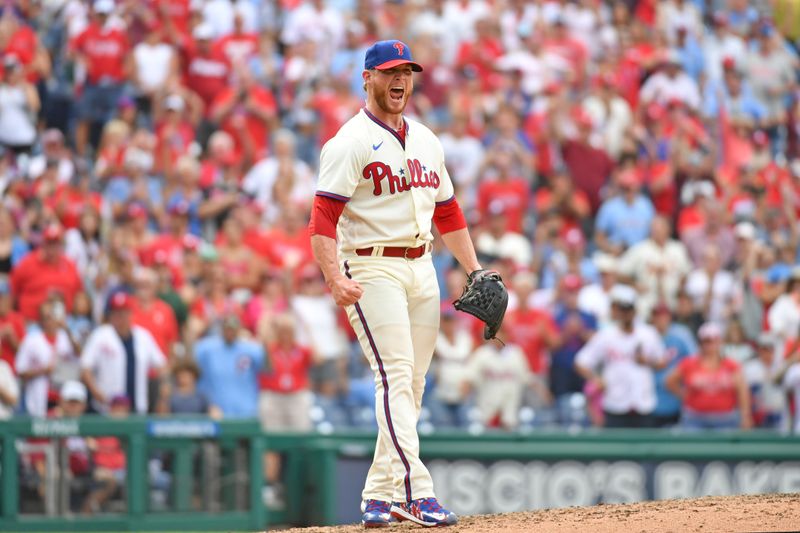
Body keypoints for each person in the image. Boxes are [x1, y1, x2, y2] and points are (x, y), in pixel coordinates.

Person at [308, 40, 480, 527]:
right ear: (367, 78)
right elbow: (322, 216)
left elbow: (447, 210)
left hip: (421, 265)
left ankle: (379, 494)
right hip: (370, 266)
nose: (399, 79)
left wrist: (474, 269)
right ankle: (416, 490)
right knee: (395, 377)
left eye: (406, 70)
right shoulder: (349, 141)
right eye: (388, 71)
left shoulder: (427, 139)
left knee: (412, 385)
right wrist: (332, 275)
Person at [574, 285, 666, 428]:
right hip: (615, 404)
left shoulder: (648, 333)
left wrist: (647, 362)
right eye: (621, 309)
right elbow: (581, 362)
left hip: (643, 403)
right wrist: (596, 379)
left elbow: (662, 361)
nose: (625, 314)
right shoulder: (606, 335)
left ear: (635, 310)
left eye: (628, 309)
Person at [80, 292, 167, 414]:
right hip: (107, 407)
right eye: (117, 313)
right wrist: (97, 392)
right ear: (110, 315)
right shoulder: (101, 335)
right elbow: (85, 368)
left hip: (138, 407)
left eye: (124, 312)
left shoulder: (143, 336)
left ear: (131, 314)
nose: (121, 317)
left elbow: (161, 365)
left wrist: (162, 395)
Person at [665, 322, 753, 431]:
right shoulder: (689, 363)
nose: (710, 345)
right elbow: (669, 381)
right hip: (695, 418)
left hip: (725, 419)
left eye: (713, 340)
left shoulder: (731, 365)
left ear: (719, 341)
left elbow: (742, 391)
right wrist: (683, 394)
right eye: (706, 341)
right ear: (700, 343)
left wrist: (745, 416)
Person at [16, 301, 80, 417]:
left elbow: (79, 354)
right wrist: (43, 371)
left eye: (52, 316)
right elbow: (20, 370)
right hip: (39, 397)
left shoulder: (65, 337)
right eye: (46, 317)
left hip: (63, 395)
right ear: (41, 320)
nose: (50, 321)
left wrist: (67, 328)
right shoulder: (32, 340)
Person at [194, 312, 264, 419]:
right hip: (215, 411)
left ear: (239, 330)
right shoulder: (206, 348)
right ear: (221, 329)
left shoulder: (251, 349)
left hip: (246, 410)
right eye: (227, 328)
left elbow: (268, 371)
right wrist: (206, 404)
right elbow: (192, 372)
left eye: (233, 329)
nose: (230, 332)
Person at [10, 224, 83, 322]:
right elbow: (12, 292)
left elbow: (79, 295)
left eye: (55, 243)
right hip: (32, 322)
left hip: (64, 322)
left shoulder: (70, 265)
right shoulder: (27, 263)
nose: (52, 248)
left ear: (60, 245)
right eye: (49, 243)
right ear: (43, 244)